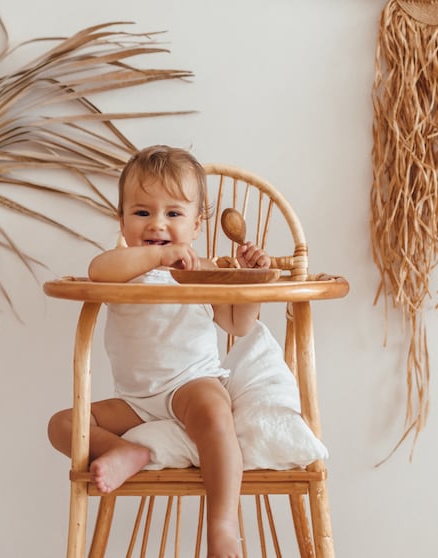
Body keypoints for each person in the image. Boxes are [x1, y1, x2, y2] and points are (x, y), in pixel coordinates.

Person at [47, 145, 270, 558]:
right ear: (122, 220)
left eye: (173, 213)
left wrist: (250, 281)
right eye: (143, 212)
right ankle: (123, 450)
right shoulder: (122, 269)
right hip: (135, 401)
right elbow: (98, 271)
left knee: (215, 415)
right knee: (62, 424)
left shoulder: (202, 272)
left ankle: (222, 527)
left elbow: (238, 325)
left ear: (198, 224)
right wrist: (159, 256)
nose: (158, 224)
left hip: (190, 384)